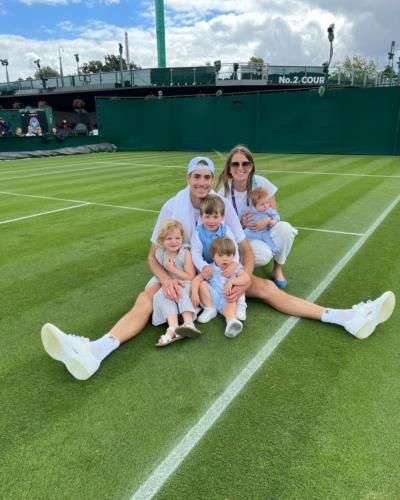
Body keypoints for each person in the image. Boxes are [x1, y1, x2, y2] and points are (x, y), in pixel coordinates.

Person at [41, 155, 396, 381]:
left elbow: (244, 248)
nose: (201, 183)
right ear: (188, 178)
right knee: (143, 300)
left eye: (206, 178)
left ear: (213, 180)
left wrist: (243, 275)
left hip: (223, 271)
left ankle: (347, 318)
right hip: (180, 272)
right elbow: (152, 256)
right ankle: (94, 351)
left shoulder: (222, 203)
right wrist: (165, 278)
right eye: (196, 177)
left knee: (268, 289)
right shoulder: (172, 205)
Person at [217, 144, 298, 288]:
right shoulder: (223, 193)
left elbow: (274, 213)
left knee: (285, 229)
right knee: (263, 255)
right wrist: (241, 224)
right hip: (243, 236)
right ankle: (243, 269)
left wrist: (267, 220)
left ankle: (277, 269)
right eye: (235, 164)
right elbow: (222, 228)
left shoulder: (261, 182)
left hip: (265, 229)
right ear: (229, 168)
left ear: (251, 167)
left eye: (245, 164)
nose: (240, 168)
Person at [190, 194, 247, 320]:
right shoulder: (198, 233)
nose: (211, 221)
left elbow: (235, 249)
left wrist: (234, 264)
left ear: (222, 217)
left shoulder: (225, 230)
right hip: (210, 269)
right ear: (201, 216)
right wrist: (203, 266)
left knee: (239, 280)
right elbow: (195, 253)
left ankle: (241, 306)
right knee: (202, 285)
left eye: (215, 216)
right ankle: (209, 308)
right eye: (207, 216)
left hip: (226, 266)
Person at [151, 219, 201, 347]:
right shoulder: (160, 253)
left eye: (177, 238)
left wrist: (172, 269)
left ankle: (188, 323)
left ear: (182, 238)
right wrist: (168, 281)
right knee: (162, 295)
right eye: (169, 239)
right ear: (162, 240)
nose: (174, 241)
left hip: (185, 283)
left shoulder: (185, 253)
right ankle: (173, 327)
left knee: (180, 292)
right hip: (171, 282)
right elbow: (163, 274)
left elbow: (190, 276)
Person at [192, 237, 251, 338]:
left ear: (233, 256)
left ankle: (231, 322)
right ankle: (210, 309)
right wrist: (194, 294)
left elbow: (246, 278)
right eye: (220, 255)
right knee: (202, 285)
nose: (225, 258)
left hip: (227, 298)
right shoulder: (210, 268)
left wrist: (232, 281)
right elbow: (197, 280)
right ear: (213, 256)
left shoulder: (235, 268)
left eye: (228, 255)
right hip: (213, 298)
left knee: (231, 305)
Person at [244, 187, 280, 256]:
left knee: (267, 237)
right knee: (243, 236)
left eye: (267, 203)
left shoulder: (268, 210)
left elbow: (276, 215)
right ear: (254, 205)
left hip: (263, 231)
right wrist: (244, 220)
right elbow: (243, 215)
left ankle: (274, 248)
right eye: (262, 204)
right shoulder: (250, 210)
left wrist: (274, 221)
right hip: (251, 231)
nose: (265, 206)